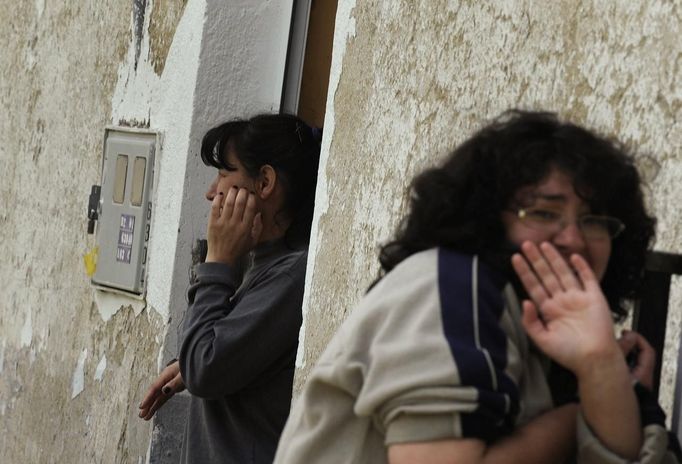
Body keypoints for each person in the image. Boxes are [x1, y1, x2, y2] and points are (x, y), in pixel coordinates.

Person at [273, 110, 681, 463]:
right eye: (543, 212)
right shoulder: (451, 286)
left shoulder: (553, 335)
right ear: (487, 218)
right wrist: (587, 409)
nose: (573, 238)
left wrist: (604, 371)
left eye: (594, 220)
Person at [138, 113, 321, 463]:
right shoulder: (259, 266)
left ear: (265, 182)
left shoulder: (290, 277)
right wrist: (190, 363)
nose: (211, 192)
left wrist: (218, 261)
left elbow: (205, 367)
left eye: (223, 174)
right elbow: (208, 360)